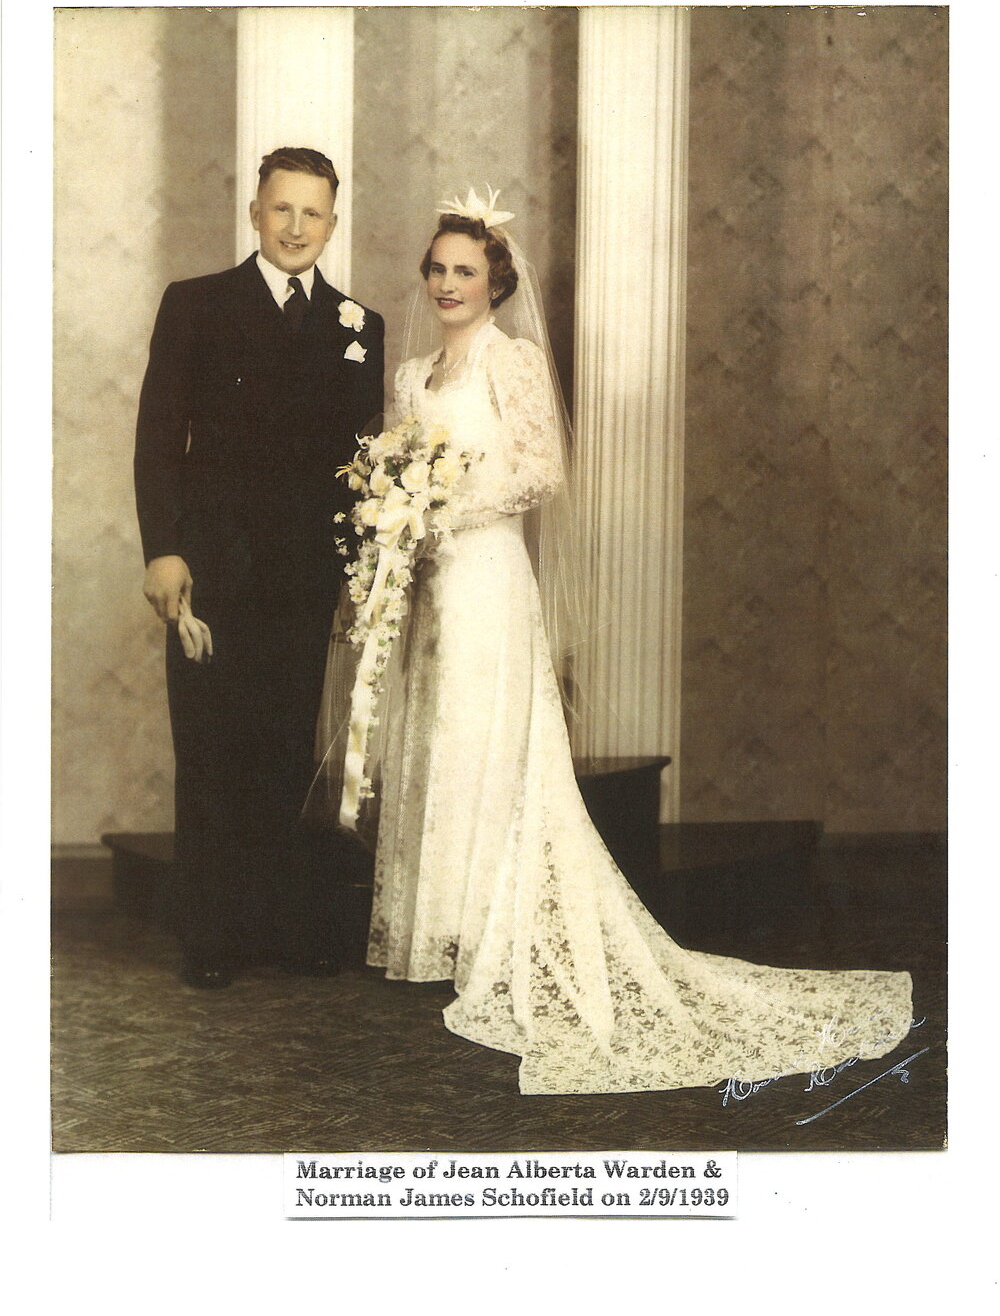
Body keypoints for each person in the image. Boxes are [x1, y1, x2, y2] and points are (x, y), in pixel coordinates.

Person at [358, 187, 913, 1094]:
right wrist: (397, 519)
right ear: (425, 278)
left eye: (468, 272)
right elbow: (393, 465)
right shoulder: (412, 378)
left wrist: (438, 510)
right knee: (435, 742)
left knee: (489, 744)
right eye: (439, 270)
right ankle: (448, 928)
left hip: (490, 578)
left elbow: (541, 471)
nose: (450, 284)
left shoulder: (515, 363)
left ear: (496, 285)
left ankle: (501, 934)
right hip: (428, 589)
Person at [135, 147, 384, 989]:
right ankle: (213, 934)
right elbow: (159, 437)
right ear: (255, 214)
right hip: (212, 567)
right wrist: (164, 548)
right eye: (282, 210)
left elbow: (360, 466)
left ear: (332, 224)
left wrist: (356, 573)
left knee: (283, 748)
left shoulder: (358, 326)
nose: (296, 228)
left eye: (313, 214)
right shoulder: (198, 304)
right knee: (211, 744)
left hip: (303, 575)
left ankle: (279, 922)